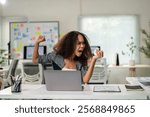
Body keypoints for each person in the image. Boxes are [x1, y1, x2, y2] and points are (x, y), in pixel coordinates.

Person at [32, 31, 103, 84]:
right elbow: (35, 60)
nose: (82, 46)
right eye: (79, 43)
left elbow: (85, 80)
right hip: (59, 93)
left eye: (83, 43)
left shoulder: (82, 60)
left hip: (76, 95)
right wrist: (37, 43)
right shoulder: (56, 56)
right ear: (70, 45)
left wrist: (94, 59)